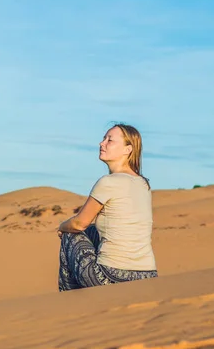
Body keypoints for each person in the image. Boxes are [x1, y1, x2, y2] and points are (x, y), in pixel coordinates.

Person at [57, 123, 158, 291]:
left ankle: (69, 299)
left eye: (109, 140)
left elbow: (78, 223)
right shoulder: (143, 183)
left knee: (70, 233)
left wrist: (62, 226)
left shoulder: (108, 182)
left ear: (128, 150)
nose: (101, 143)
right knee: (91, 231)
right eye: (104, 139)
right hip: (147, 275)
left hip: (110, 277)